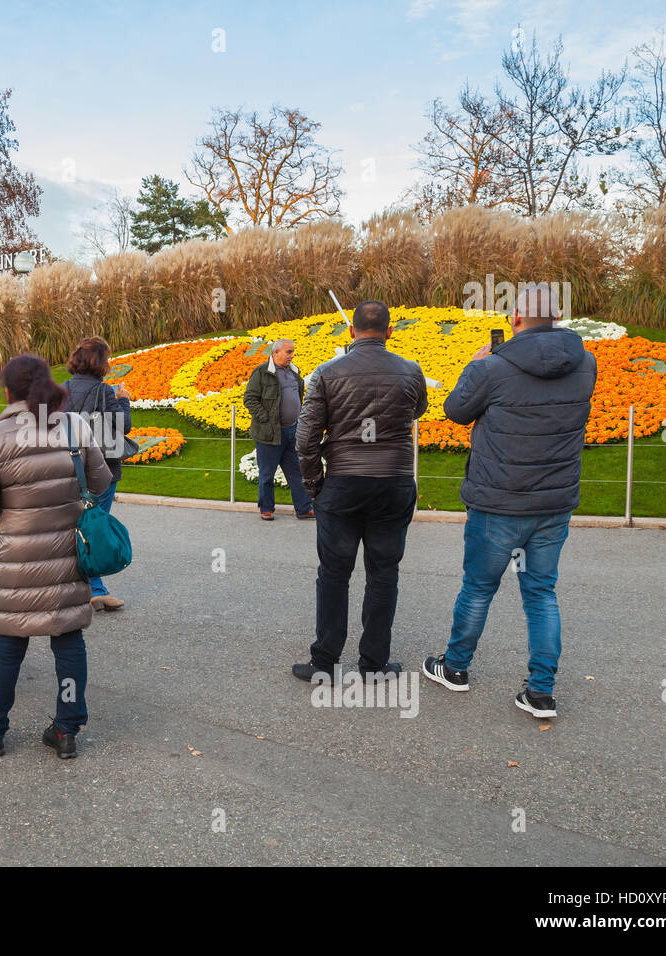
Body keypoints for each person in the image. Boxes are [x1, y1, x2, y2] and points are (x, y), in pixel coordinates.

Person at [423, 284, 596, 719]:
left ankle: (456, 668)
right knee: (541, 594)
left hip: (497, 501)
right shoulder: (586, 363)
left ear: (515, 319)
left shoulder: (492, 369)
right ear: (555, 318)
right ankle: (541, 692)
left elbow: (456, 411)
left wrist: (474, 366)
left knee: (479, 587)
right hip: (553, 503)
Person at [0, 355, 112, 759]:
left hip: (16, 558)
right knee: (67, 640)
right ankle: (66, 730)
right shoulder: (74, 427)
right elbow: (100, 481)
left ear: (7, 391)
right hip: (66, 553)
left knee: (9, 645)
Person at [293, 301, 428, 683]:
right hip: (394, 481)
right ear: (389, 331)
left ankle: (325, 662)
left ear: (350, 332)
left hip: (344, 482)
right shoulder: (411, 371)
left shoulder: (326, 373)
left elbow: (305, 438)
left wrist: (314, 485)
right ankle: (373, 663)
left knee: (334, 574)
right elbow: (417, 410)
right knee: (384, 573)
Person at [63, 336, 131, 612]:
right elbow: (122, 426)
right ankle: (96, 589)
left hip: (67, 469)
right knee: (94, 526)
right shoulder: (105, 392)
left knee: (74, 526)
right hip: (100, 469)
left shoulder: (59, 390)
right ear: (100, 363)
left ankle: (80, 588)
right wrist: (124, 400)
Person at [243, 339, 314, 520]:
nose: (292, 355)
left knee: (296, 472)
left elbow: (298, 396)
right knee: (267, 474)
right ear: (275, 353)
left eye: (292, 352)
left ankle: (304, 508)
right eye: (288, 352)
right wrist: (265, 419)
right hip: (270, 433)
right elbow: (250, 399)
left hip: (292, 431)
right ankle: (266, 509)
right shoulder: (261, 372)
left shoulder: (294, 371)